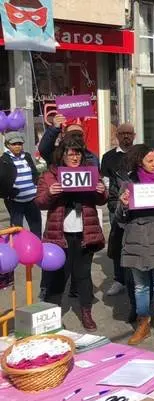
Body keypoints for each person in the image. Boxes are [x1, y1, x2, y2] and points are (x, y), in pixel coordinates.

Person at [35, 137, 108, 331]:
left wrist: (101, 191)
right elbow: (39, 202)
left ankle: (86, 313)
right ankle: (53, 316)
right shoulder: (49, 175)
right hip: (59, 234)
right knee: (58, 275)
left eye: (78, 154)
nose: (75, 158)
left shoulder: (90, 173)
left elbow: (102, 200)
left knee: (83, 275)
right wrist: (50, 193)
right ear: (62, 155)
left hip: (86, 232)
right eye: (71, 154)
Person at [114, 144, 154, 345]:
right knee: (140, 286)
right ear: (139, 162)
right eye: (149, 161)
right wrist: (123, 205)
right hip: (136, 239)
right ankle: (143, 324)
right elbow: (119, 218)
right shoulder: (128, 183)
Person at [102, 124, 137, 299]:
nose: (126, 136)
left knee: (136, 242)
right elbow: (106, 181)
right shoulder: (108, 157)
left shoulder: (140, 153)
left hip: (138, 205)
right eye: (122, 133)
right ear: (117, 135)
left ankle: (136, 278)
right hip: (116, 205)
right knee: (117, 241)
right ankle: (119, 279)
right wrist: (114, 201)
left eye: (129, 133)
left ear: (134, 135)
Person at [0, 131, 41, 236]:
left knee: (36, 229)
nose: (17, 146)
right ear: (8, 145)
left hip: (32, 200)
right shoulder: (3, 160)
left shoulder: (27, 156)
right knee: (16, 231)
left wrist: (36, 186)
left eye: (20, 143)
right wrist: (9, 193)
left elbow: (34, 173)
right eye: (14, 144)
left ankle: (36, 245)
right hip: (15, 202)